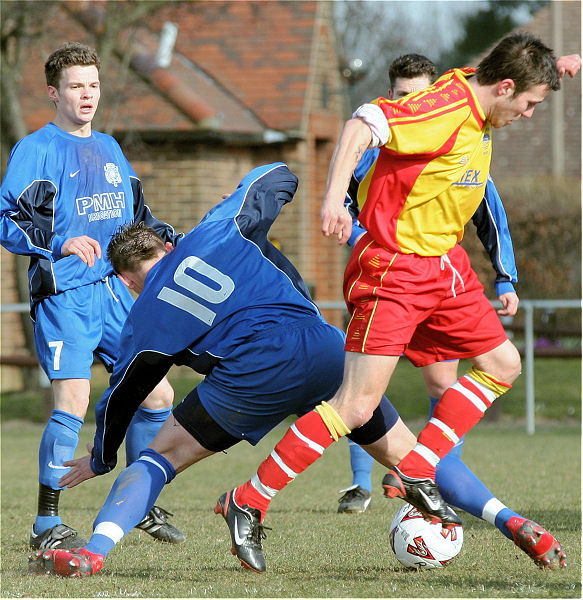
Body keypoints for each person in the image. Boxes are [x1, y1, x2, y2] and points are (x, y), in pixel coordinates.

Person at [209, 33, 579, 572]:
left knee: (503, 364)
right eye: (529, 104)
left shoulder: (481, 87)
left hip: (443, 266)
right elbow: (362, 122)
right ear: (504, 87)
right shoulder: (444, 109)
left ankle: (418, 467)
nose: (527, 114)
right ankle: (248, 499)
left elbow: (508, 61)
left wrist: (559, 64)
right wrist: (334, 198)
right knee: (356, 406)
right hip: (396, 269)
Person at [27, 163, 417, 577]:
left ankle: (94, 552)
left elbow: (123, 393)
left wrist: (103, 458)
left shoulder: (143, 318)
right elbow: (277, 175)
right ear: (167, 245)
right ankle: (491, 516)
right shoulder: (217, 229)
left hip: (249, 379)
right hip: (323, 349)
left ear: (124, 280)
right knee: (408, 456)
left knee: (158, 458)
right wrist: (329, 193)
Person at [0, 42, 186, 550]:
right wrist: (59, 241)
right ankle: (45, 526)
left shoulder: (110, 148)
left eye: (93, 85)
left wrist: (166, 238)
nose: (87, 95)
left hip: (116, 292)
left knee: (159, 393)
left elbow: (135, 218)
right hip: (66, 295)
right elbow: (7, 222)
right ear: (53, 93)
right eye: (76, 86)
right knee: (74, 401)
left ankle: (138, 499)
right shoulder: (36, 149)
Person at [338, 53, 520, 515]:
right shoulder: (370, 151)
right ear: (391, 95)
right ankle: (360, 484)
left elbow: (489, 216)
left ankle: (426, 472)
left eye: (419, 93)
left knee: (444, 387)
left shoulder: (453, 139)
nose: (410, 103)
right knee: (360, 396)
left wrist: (505, 277)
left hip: (433, 282)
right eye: (401, 95)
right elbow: (345, 202)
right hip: (381, 281)